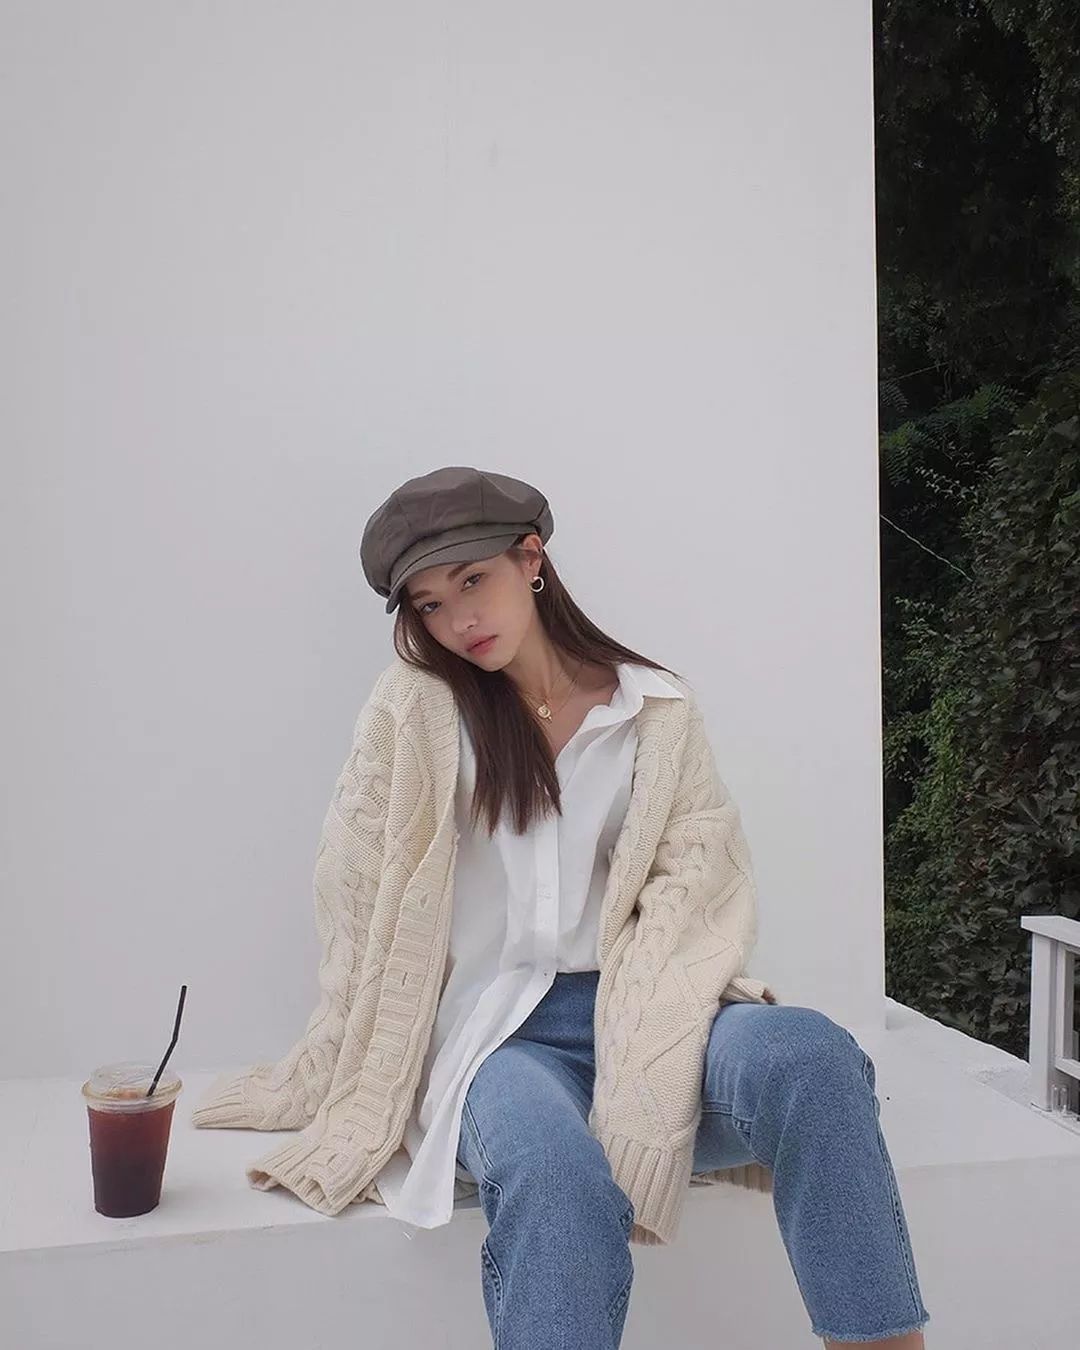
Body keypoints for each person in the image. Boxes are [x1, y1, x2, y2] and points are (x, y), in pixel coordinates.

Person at [191, 466, 931, 1348]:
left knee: (811, 1055)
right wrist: (347, 1054)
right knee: (557, 1178)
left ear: (531, 557)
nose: (459, 620)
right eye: (429, 605)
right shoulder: (416, 710)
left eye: (473, 580)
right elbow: (357, 900)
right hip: (493, 1045)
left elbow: (694, 892)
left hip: (644, 1013)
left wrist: (642, 1042)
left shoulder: (653, 709)